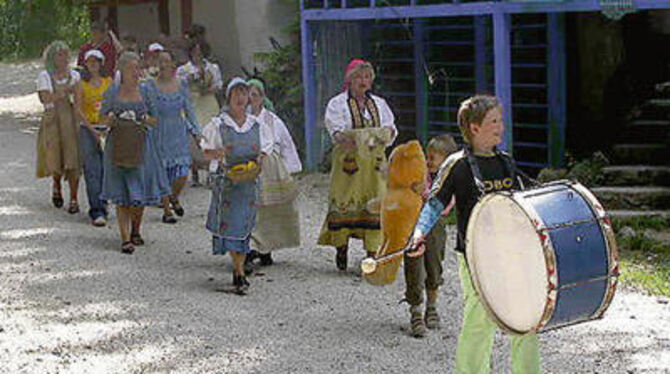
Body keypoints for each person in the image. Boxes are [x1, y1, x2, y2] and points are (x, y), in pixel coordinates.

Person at [408, 95, 541, 373]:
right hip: (475, 258)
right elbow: (434, 204)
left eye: (500, 120)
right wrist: (418, 235)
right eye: (494, 121)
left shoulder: (506, 162)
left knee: (526, 318)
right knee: (479, 320)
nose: (500, 127)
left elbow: (530, 196)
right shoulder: (457, 165)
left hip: (512, 252)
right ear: (474, 128)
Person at [317, 59, 397, 271]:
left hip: (374, 166)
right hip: (348, 165)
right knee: (344, 200)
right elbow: (336, 132)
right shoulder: (337, 104)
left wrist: (383, 135)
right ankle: (341, 247)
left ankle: (372, 253)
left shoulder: (379, 104)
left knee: (375, 201)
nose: (364, 81)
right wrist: (361, 139)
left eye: (367, 77)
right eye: (359, 77)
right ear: (350, 80)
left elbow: (391, 129)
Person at [201, 78, 268, 295]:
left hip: (248, 185)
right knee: (232, 228)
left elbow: (266, 150)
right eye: (236, 93)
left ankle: (238, 270)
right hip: (227, 184)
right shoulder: (218, 125)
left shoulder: (257, 124)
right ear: (228, 98)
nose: (240, 98)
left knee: (244, 228)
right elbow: (205, 151)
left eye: (244, 93)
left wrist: (260, 159)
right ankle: (238, 272)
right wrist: (218, 154)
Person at [100, 51, 171, 254]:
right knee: (122, 195)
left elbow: (155, 119)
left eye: (137, 68)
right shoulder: (113, 91)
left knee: (138, 193)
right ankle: (124, 238)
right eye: (131, 68)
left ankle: (136, 230)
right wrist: (112, 118)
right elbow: (102, 117)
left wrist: (143, 118)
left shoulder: (146, 91)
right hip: (118, 144)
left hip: (141, 144)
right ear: (121, 70)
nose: (136, 72)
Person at [403, 134, 458, 338]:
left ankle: (431, 306)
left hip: (435, 227)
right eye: (427, 156)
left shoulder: (451, 180)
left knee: (434, 268)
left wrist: (423, 193)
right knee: (414, 267)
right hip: (412, 225)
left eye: (433, 157)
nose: (428, 161)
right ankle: (415, 311)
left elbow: (444, 207)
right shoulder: (420, 172)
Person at [246, 78, 302, 267]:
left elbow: (286, 144)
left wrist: (291, 169)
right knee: (250, 208)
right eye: (247, 95)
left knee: (268, 211)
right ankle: (250, 246)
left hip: (269, 169)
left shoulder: (272, 120)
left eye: (254, 95)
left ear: (261, 98)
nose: (250, 99)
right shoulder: (238, 117)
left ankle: (265, 247)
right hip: (246, 168)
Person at [147, 50, 201, 223]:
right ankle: (166, 211)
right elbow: (147, 109)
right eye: (160, 61)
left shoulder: (181, 84)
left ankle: (173, 196)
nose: (163, 65)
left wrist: (197, 132)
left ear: (172, 64)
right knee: (162, 172)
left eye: (167, 61)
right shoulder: (150, 86)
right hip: (159, 132)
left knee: (182, 173)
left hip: (178, 131)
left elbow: (189, 110)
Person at [36, 41, 83, 214]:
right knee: (55, 156)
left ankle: (74, 198)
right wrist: (63, 92)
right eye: (59, 55)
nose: (63, 58)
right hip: (53, 120)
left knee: (73, 157)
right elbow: (45, 98)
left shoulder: (75, 76)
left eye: (66, 54)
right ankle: (56, 185)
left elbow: (79, 101)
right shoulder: (45, 76)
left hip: (70, 120)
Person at [75, 49, 113, 226]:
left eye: (96, 62)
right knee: (92, 170)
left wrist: (106, 126)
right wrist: (92, 130)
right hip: (88, 128)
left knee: (106, 169)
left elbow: (113, 104)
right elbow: (78, 110)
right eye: (90, 62)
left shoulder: (108, 82)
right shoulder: (81, 85)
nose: (93, 65)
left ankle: (104, 203)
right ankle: (96, 209)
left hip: (106, 128)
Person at [176, 41, 222, 186]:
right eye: (195, 52)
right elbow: (178, 83)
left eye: (200, 52)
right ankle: (195, 170)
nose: (198, 55)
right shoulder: (184, 69)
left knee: (211, 134)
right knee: (194, 135)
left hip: (208, 101)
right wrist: (189, 80)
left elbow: (219, 84)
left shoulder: (212, 68)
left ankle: (210, 170)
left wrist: (209, 89)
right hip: (193, 101)